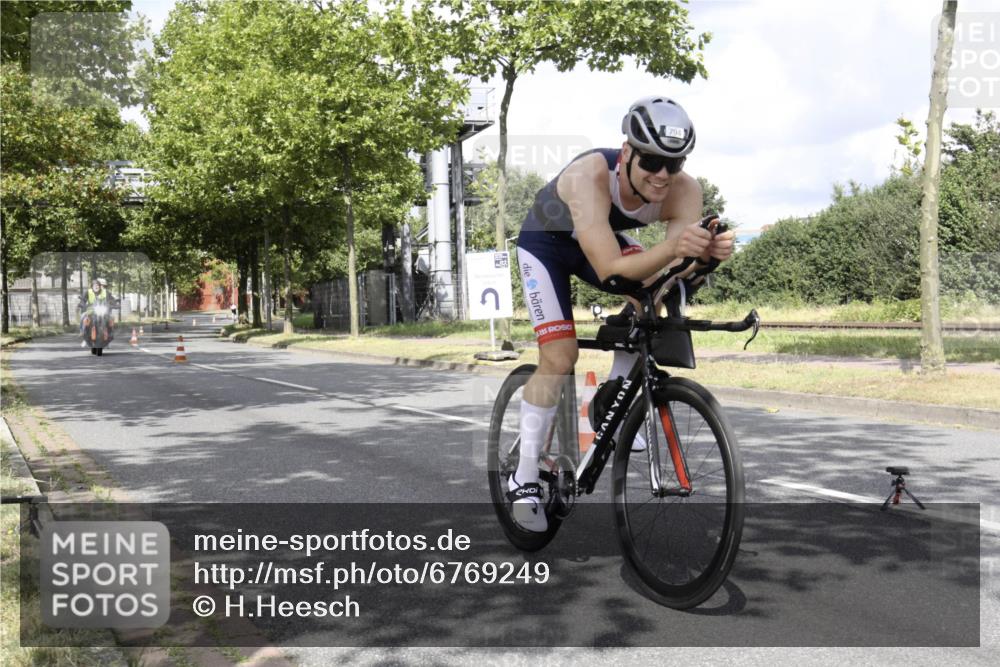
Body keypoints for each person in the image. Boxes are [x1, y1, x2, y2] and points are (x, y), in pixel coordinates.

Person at [510, 96, 736, 532]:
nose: (662, 175)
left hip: (599, 240)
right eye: (651, 161)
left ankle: (612, 391)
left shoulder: (685, 189)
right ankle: (524, 477)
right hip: (546, 244)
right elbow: (611, 270)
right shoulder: (588, 175)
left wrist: (708, 257)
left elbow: (675, 274)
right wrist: (674, 248)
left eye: (674, 164)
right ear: (628, 151)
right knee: (560, 358)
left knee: (654, 301)